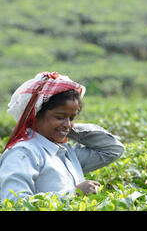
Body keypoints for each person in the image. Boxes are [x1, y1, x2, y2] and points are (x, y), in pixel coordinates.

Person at [0, 72, 125, 202]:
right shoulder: (23, 153)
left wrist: (68, 129)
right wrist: (73, 194)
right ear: (36, 115)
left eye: (72, 117)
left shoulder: (66, 153)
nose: (67, 124)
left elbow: (113, 149)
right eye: (59, 117)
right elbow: (14, 202)